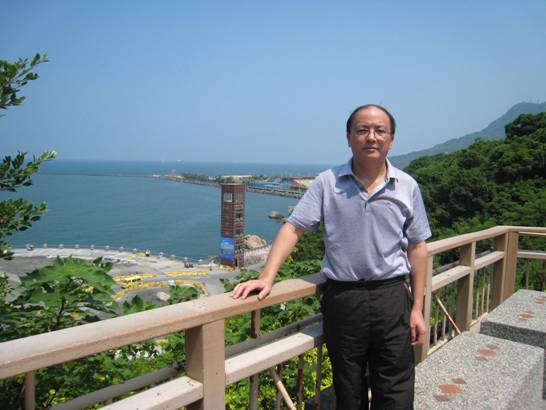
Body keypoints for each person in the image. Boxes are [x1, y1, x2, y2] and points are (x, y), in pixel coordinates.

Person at [232, 104, 431, 409]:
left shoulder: (406, 186)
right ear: (349, 137)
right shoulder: (328, 182)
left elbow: (417, 247)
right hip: (344, 298)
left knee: (396, 388)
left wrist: (417, 308)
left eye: (380, 130)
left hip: (392, 296)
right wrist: (267, 276)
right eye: (362, 130)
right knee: (348, 387)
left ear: (391, 139)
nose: (371, 137)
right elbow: (294, 227)